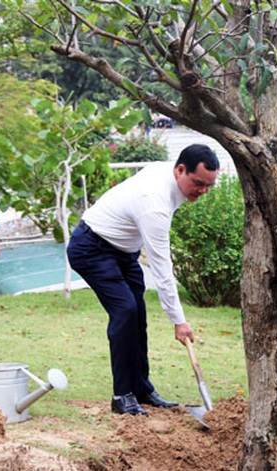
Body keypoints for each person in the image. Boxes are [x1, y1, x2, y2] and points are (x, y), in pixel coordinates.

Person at [67, 144, 219, 416]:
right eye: (198, 183)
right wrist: (179, 320)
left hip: (123, 252)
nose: (203, 191)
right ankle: (122, 395)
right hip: (91, 248)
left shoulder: (167, 176)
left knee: (137, 314)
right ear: (180, 170)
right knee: (124, 310)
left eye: (209, 186)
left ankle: (141, 389)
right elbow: (162, 267)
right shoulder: (155, 203)